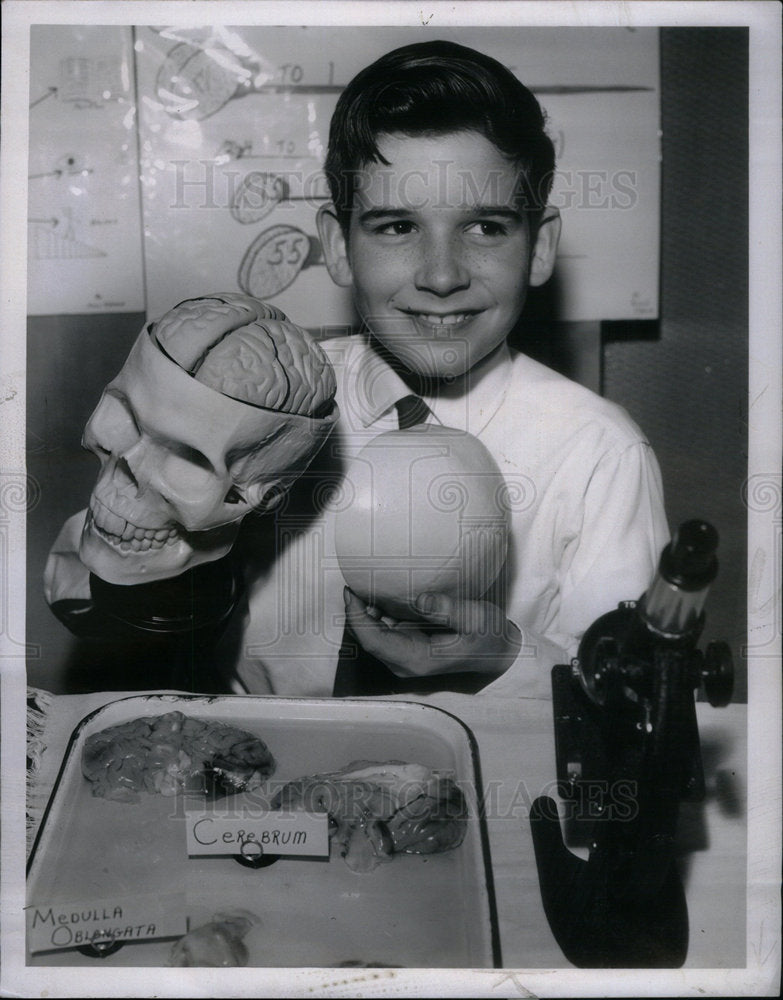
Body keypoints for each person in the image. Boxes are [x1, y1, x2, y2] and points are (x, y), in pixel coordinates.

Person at [44, 39, 670, 698]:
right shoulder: (261, 402)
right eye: (396, 227)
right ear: (338, 247)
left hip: (491, 791)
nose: (440, 275)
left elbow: (644, 705)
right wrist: (171, 549)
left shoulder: (599, 455)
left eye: (485, 228)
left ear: (539, 247)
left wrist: (506, 659)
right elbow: (83, 594)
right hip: (248, 776)